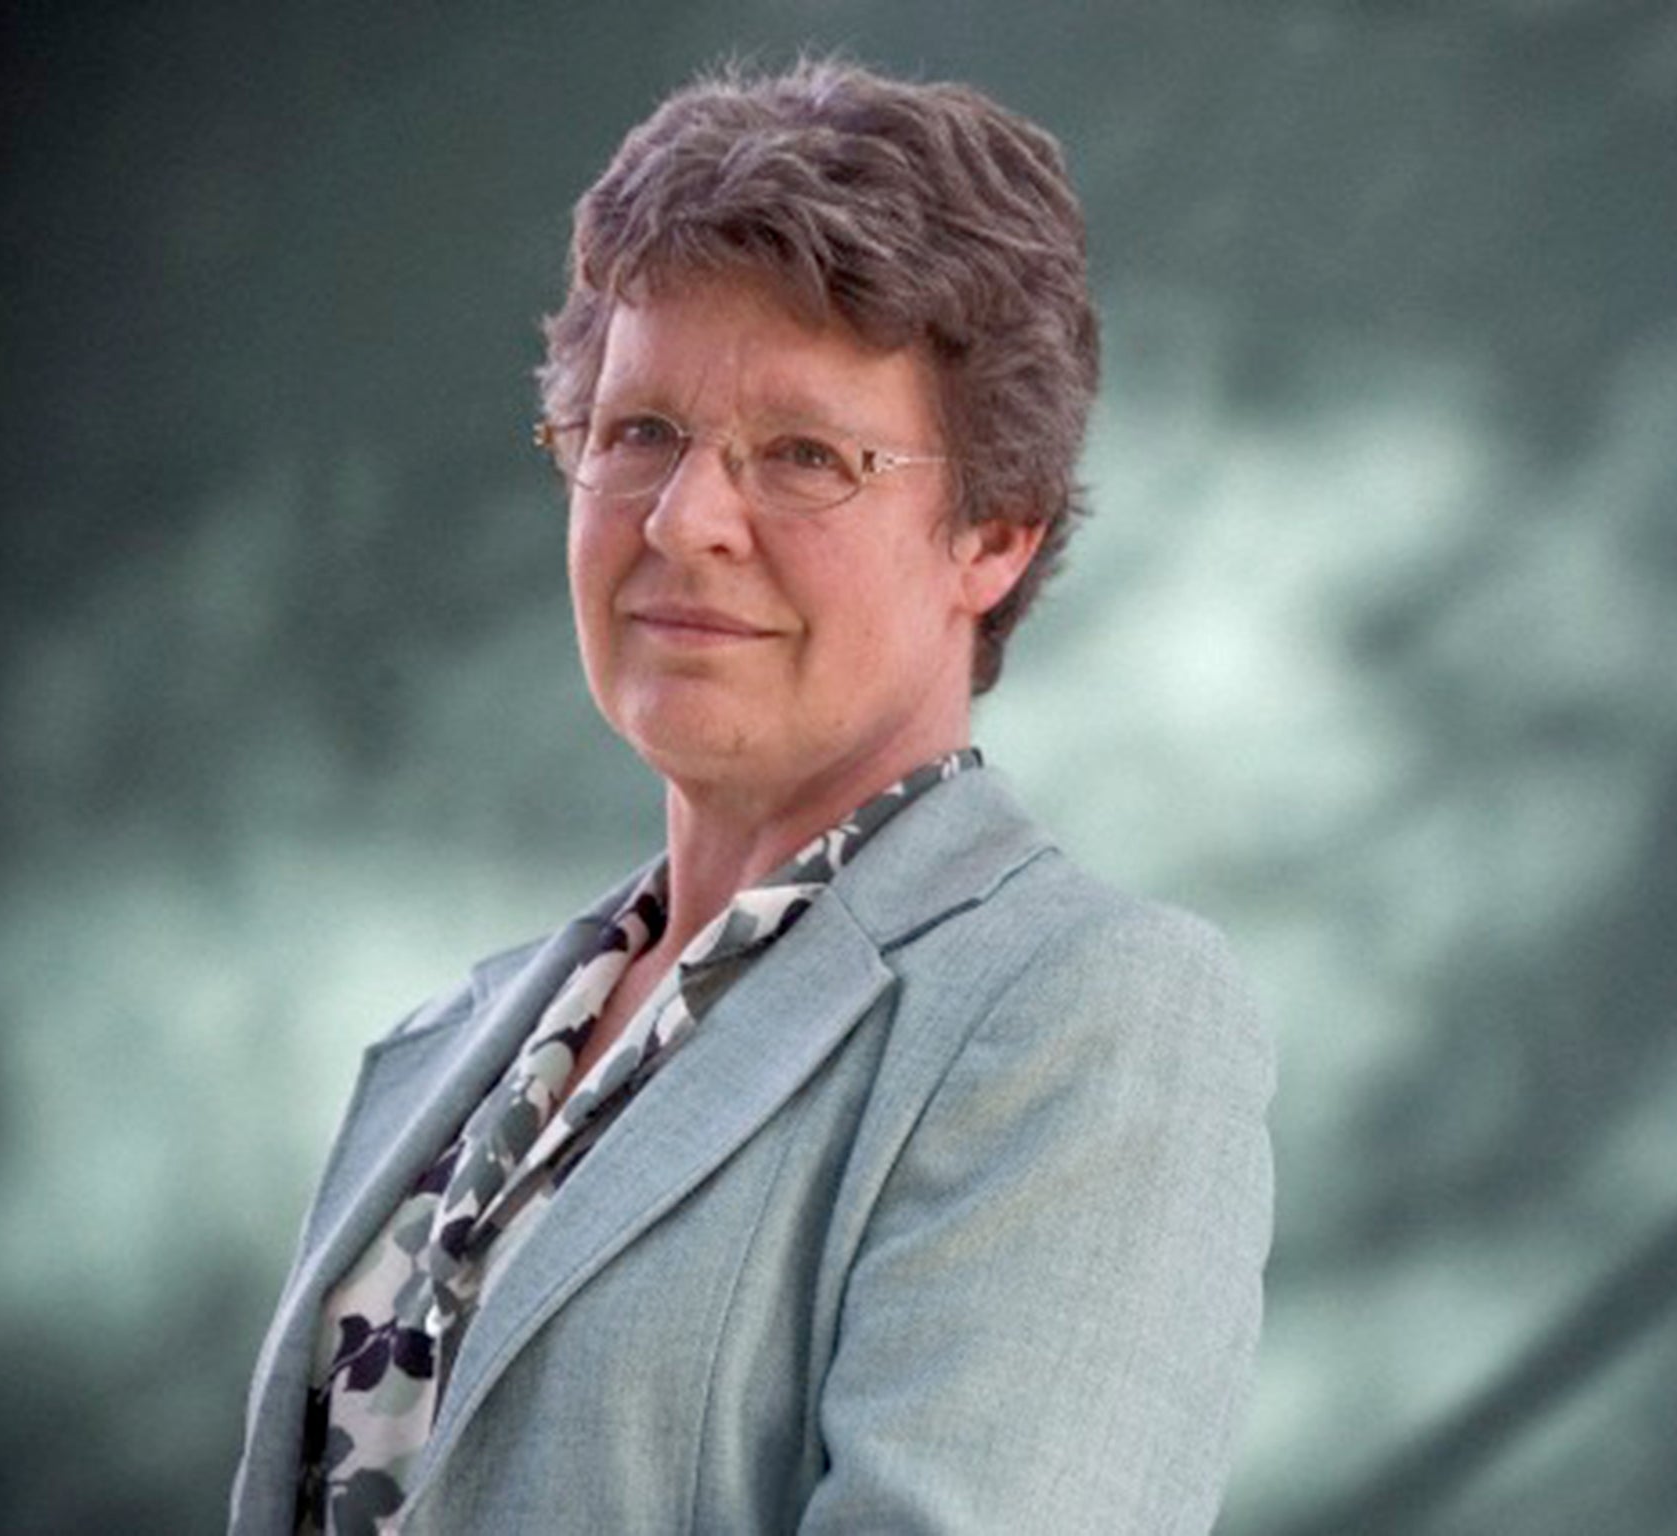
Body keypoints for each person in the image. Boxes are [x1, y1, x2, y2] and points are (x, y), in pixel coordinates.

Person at [231, 58, 1273, 1535]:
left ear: (993, 535)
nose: (685, 520)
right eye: (637, 430)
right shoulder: (451, 1044)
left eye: (804, 455)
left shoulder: (1079, 1015)